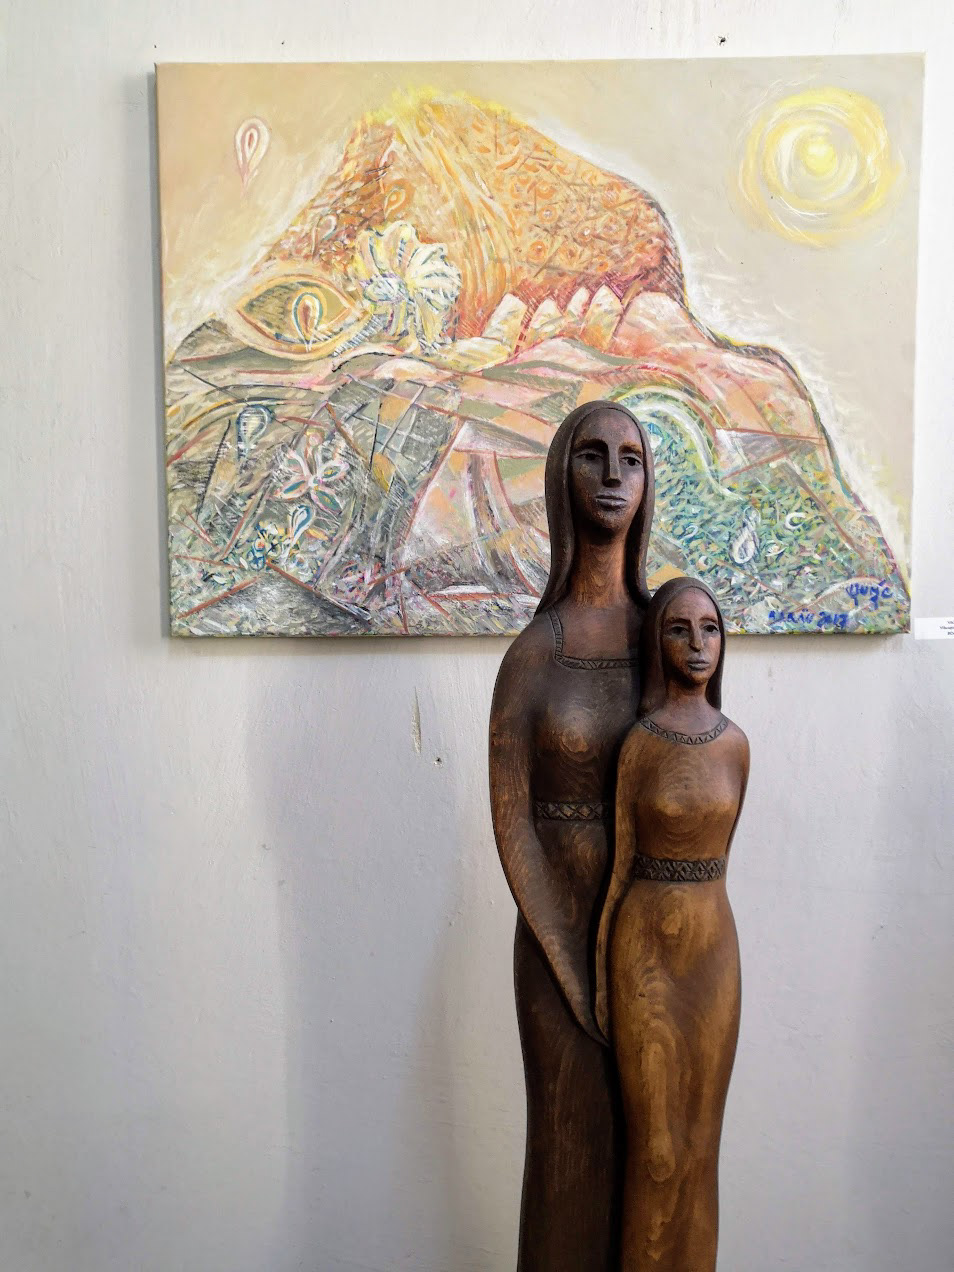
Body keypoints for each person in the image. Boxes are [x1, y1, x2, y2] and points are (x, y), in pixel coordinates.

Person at [489, 398, 655, 1271]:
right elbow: (512, 816)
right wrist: (571, 960)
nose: (613, 476)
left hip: (653, 940)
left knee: (654, 1154)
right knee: (567, 1149)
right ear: (560, 477)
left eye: (631, 458)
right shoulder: (534, 652)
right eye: (592, 455)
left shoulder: (670, 639)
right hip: (557, 938)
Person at [596, 576, 750, 1272]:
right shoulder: (639, 744)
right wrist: (604, 973)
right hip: (645, 953)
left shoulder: (735, 745)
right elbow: (620, 866)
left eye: (710, 628)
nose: (697, 644)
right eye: (679, 629)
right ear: (656, 642)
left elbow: (724, 854)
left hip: (714, 952)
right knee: (655, 1152)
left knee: (701, 1150)